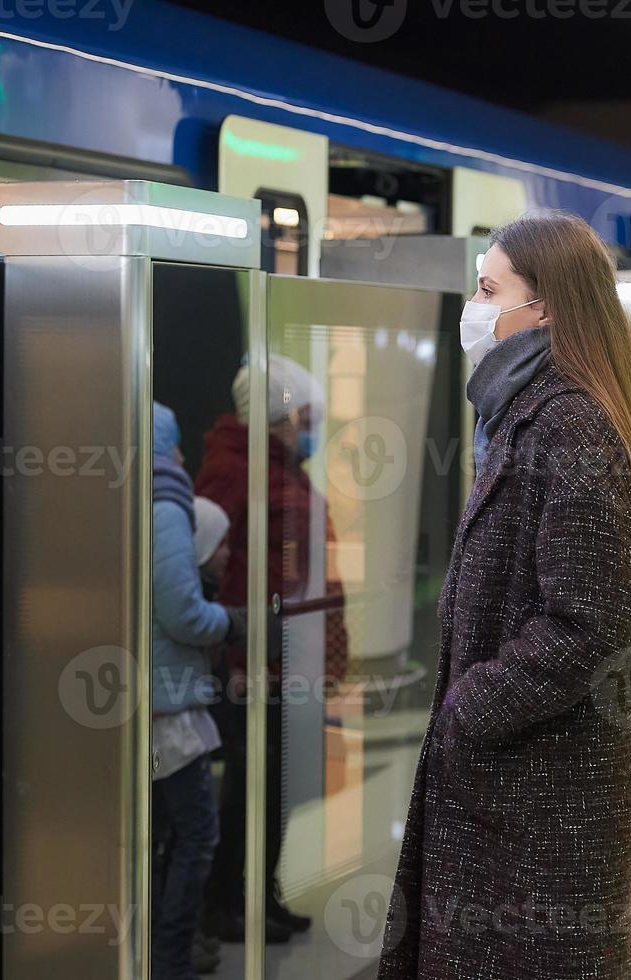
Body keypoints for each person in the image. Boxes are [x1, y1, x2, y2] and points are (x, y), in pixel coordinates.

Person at [379, 211, 631, 979]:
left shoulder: (567, 423)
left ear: (542, 308)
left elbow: (590, 620)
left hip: (541, 795)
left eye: (488, 288)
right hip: (522, 788)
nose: (473, 306)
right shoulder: (526, 411)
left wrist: (469, 708)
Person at [196, 354, 347, 943]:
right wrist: (243, 657)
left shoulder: (278, 468)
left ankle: (261, 893)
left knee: (276, 785)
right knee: (249, 788)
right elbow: (223, 572)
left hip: (287, 656)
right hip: (255, 662)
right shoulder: (236, 473)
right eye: (307, 417)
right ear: (279, 418)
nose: (313, 429)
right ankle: (228, 902)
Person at [150, 402, 243, 980]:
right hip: (167, 705)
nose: (182, 457)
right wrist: (235, 623)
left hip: (156, 698)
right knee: (196, 833)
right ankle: (170, 959)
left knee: (168, 833)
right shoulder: (164, 500)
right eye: (175, 443)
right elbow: (181, 610)